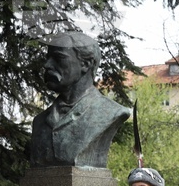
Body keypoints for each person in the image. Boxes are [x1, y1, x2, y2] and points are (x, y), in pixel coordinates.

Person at [31, 32, 130, 169]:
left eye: (58, 58)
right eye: (48, 58)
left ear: (85, 64)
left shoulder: (111, 113)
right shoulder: (40, 122)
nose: (47, 65)